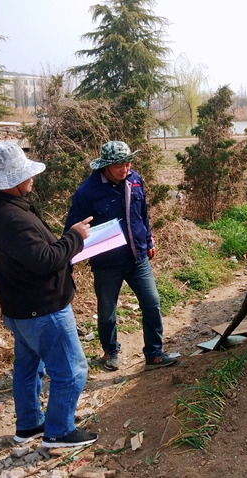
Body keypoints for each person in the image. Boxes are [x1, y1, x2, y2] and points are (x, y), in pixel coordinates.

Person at [0, 141, 98, 448]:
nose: (31, 178)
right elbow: (44, 260)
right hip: (42, 310)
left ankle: (29, 425)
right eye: (24, 174)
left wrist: (67, 245)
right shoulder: (12, 218)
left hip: (19, 308)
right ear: (10, 181)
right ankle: (59, 432)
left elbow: (32, 256)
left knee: (29, 368)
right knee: (72, 370)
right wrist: (75, 237)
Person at [65, 141, 177, 371]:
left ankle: (154, 354)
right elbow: (73, 229)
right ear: (105, 166)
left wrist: (148, 240)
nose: (125, 169)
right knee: (107, 312)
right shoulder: (87, 192)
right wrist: (68, 264)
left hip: (137, 258)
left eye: (128, 164)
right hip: (107, 264)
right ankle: (110, 352)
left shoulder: (134, 180)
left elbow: (142, 213)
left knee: (152, 303)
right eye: (119, 166)